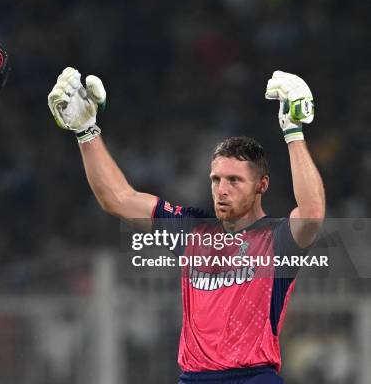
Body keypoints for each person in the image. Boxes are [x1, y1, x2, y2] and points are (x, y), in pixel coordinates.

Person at [47, 69, 325, 383]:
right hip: (193, 378)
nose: (222, 189)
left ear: (261, 185)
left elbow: (312, 212)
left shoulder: (277, 239)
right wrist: (86, 132)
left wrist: (293, 132)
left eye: (234, 180)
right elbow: (118, 199)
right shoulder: (192, 230)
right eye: (217, 179)